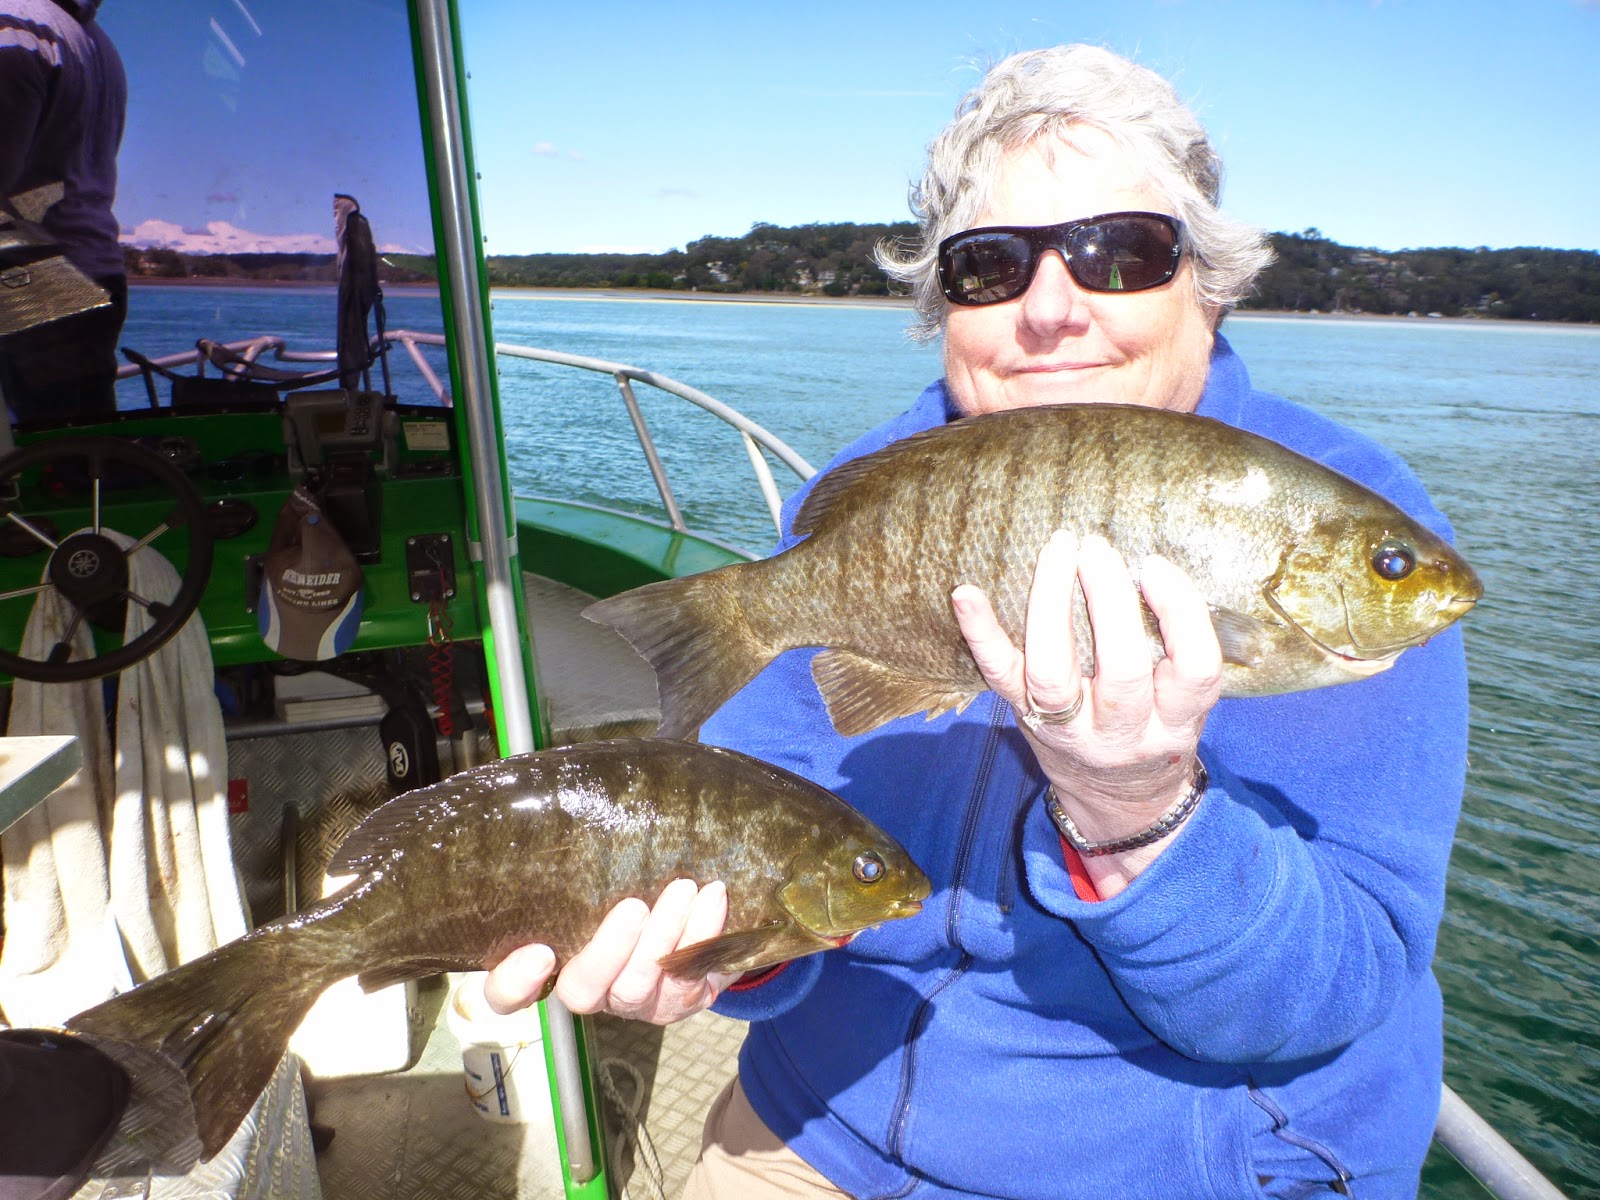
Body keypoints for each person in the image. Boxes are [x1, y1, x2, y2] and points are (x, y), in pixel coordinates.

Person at [487, 44, 1470, 1200]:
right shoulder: (878, 492)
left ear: (1204, 283)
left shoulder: (1339, 520)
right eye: (991, 265)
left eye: (1121, 252)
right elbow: (771, 827)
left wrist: (1137, 808)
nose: (1052, 309)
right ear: (940, 303)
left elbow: (1330, 987)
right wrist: (718, 962)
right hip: (821, 1126)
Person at [0, 0, 128, 425]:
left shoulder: (16, 27)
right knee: (86, 460)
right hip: (95, 266)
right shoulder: (95, 40)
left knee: (52, 462)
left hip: (31, 278)